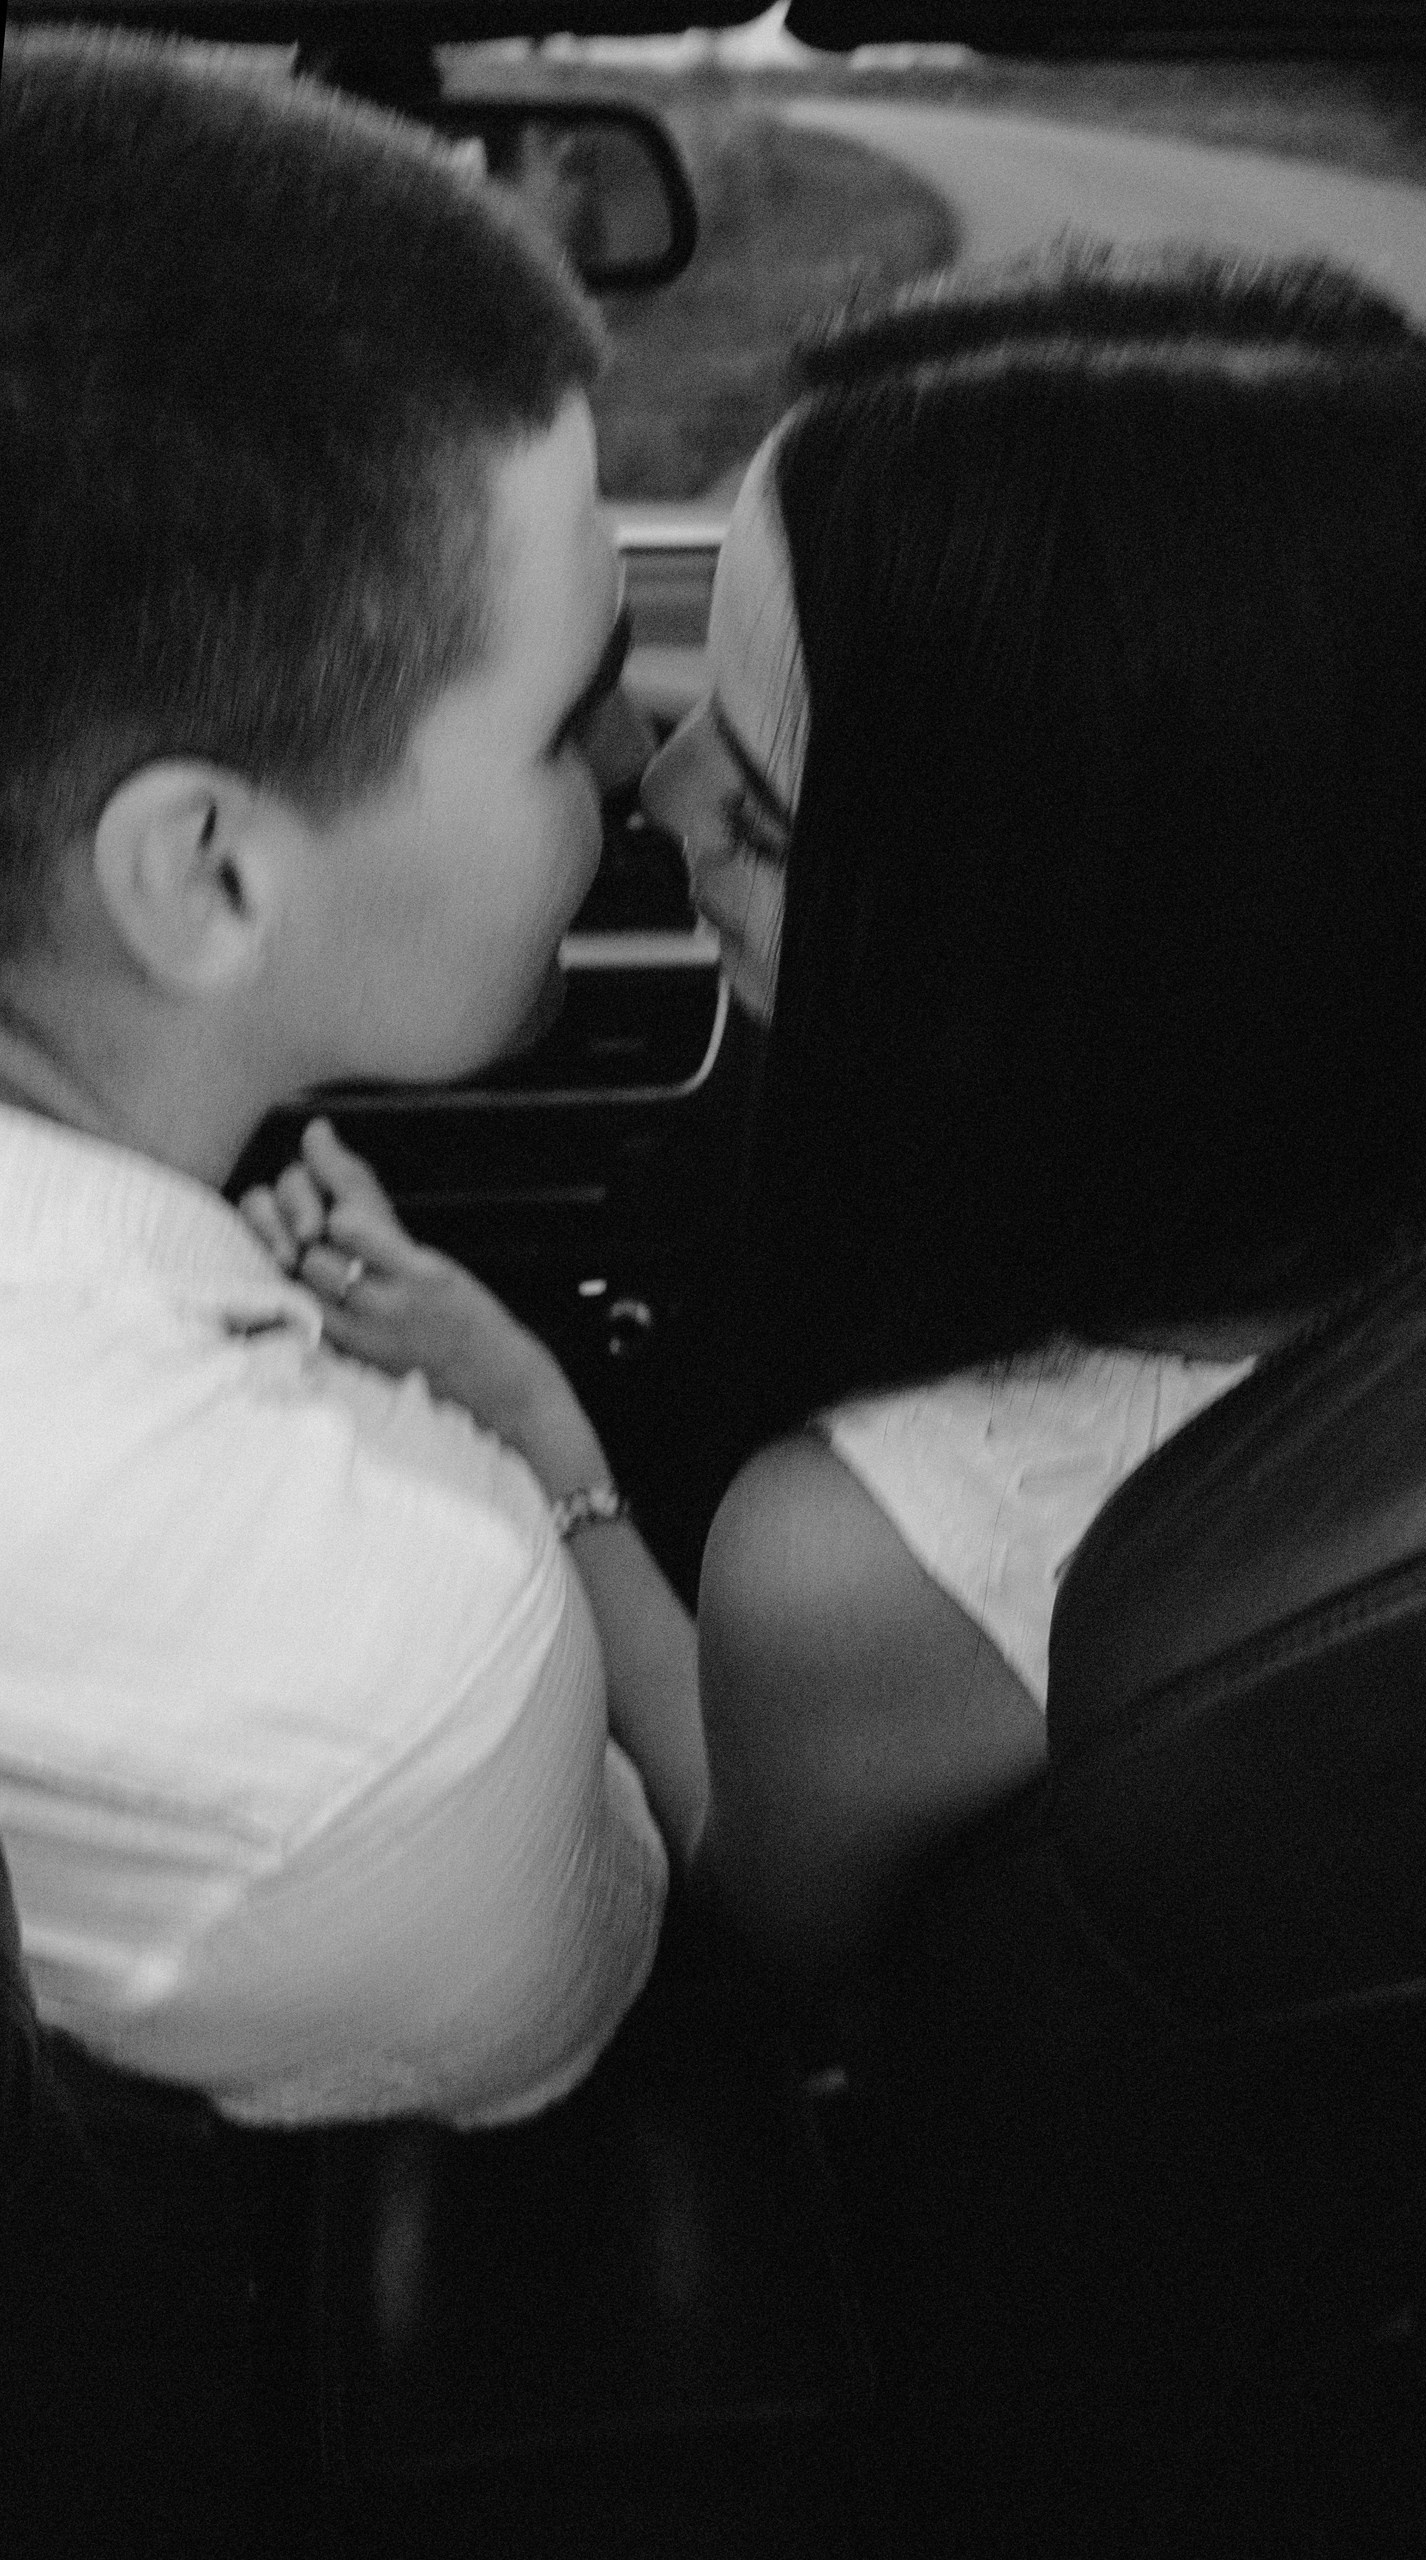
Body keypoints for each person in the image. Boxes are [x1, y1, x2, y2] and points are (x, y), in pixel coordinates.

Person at [249, 251, 1426, 1991]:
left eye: (767, 819)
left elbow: (764, 1914)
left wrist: (542, 1446)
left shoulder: (874, 1560)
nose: (659, 786)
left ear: (1036, 971)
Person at [0, 28, 707, 2124]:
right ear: (208, 870)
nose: (642, 766)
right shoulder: (394, 1680)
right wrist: (520, 1469)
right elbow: (571, 1997)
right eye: (566, 712)